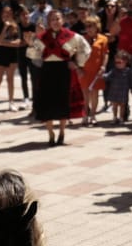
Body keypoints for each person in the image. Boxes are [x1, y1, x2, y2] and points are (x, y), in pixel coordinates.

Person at [28, 10, 90, 146]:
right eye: (52, 19)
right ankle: (50, 134)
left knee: (63, 102)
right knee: (47, 103)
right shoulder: (41, 37)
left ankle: (62, 132)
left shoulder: (72, 36)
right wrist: (33, 41)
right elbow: (32, 55)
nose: (55, 22)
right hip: (47, 71)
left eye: (58, 19)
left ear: (63, 20)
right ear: (49, 22)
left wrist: (77, 64)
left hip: (64, 71)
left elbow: (85, 49)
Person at [78, 15, 110, 127]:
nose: (89, 28)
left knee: (95, 94)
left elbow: (105, 54)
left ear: (97, 27)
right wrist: (78, 68)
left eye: (91, 26)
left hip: (96, 71)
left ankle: (93, 116)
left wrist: (103, 66)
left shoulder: (103, 39)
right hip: (84, 70)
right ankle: (85, 115)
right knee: (85, 95)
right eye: (87, 26)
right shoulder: (81, 38)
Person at [0, 4, 23, 113]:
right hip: (1, 55)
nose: (7, 14)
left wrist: (5, 43)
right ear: (2, 14)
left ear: (12, 13)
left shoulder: (16, 26)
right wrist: (5, 27)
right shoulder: (0, 25)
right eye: (5, 12)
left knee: (10, 80)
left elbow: (18, 43)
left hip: (13, 56)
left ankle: (11, 102)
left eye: (9, 12)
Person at [103, 50, 132, 124]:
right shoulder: (114, 70)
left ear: (125, 62)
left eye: (119, 62)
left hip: (123, 91)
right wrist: (102, 76)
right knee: (114, 105)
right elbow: (107, 76)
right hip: (114, 91)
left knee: (122, 106)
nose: (117, 64)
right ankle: (115, 117)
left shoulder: (128, 71)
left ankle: (121, 118)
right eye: (116, 62)